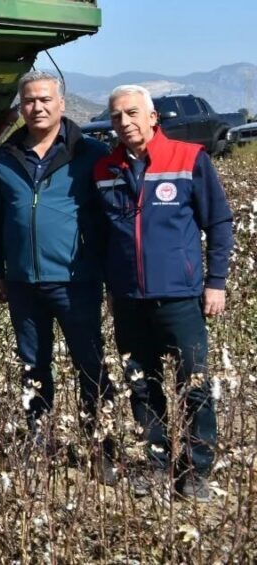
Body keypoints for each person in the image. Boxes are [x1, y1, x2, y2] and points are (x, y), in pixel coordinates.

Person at [94, 84, 234, 501]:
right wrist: (112, 287)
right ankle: (155, 464)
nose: (125, 122)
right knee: (141, 383)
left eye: (133, 113)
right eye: (117, 116)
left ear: (153, 117)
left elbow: (220, 223)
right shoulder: (105, 169)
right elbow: (104, 236)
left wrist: (216, 283)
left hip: (181, 295)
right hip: (129, 298)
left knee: (193, 384)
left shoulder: (189, 159)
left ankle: (196, 470)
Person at [0, 71, 116, 482]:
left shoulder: (91, 153)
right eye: (29, 101)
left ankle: (102, 448)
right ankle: (37, 445)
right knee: (32, 365)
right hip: (23, 283)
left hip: (75, 280)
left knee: (89, 364)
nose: (37, 107)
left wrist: (109, 272)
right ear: (20, 107)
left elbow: (111, 219)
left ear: (62, 104)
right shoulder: (5, 158)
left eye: (45, 100)